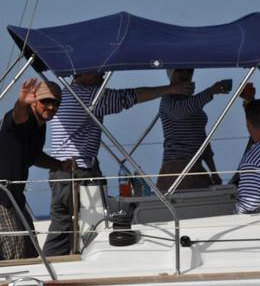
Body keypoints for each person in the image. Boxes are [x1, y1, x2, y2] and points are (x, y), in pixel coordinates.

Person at [42, 72, 194, 256]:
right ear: (83, 73)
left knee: (66, 220)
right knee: (65, 221)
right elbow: (129, 97)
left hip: (66, 171)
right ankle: (52, 264)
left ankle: (60, 261)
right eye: (99, 70)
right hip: (73, 171)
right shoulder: (89, 96)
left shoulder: (67, 93)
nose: (104, 74)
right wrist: (170, 89)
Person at [0, 78, 73, 260]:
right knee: (15, 252)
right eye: (46, 102)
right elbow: (18, 115)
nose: (51, 107)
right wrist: (22, 102)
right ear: (34, 101)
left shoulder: (40, 127)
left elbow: (35, 156)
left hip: (14, 197)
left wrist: (60, 165)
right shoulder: (22, 118)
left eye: (55, 103)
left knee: (31, 251)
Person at [157, 68, 230, 192]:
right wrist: (210, 92)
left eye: (190, 71)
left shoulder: (193, 104)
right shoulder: (167, 99)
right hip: (176, 168)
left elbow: (203, 141)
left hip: (195, 168)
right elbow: (179, 112)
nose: (186, 74)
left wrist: (214, 172)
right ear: (171, 74)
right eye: (180, 71)